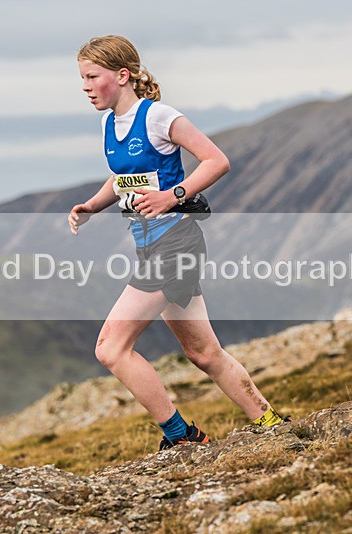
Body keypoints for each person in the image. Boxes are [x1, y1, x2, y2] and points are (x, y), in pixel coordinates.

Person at [69, 35, 286, 450]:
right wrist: (92, 205)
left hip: (176, 245)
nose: (85, 87)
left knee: (110, 349)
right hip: (150, 247)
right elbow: (125, 176)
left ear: (122, 75)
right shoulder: (107, 123)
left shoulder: (158, 117)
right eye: (82, 78)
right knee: (204, 353)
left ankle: (181, 436)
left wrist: (175, 195)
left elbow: (216, 160)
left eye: (91, 76)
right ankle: (271, 422)